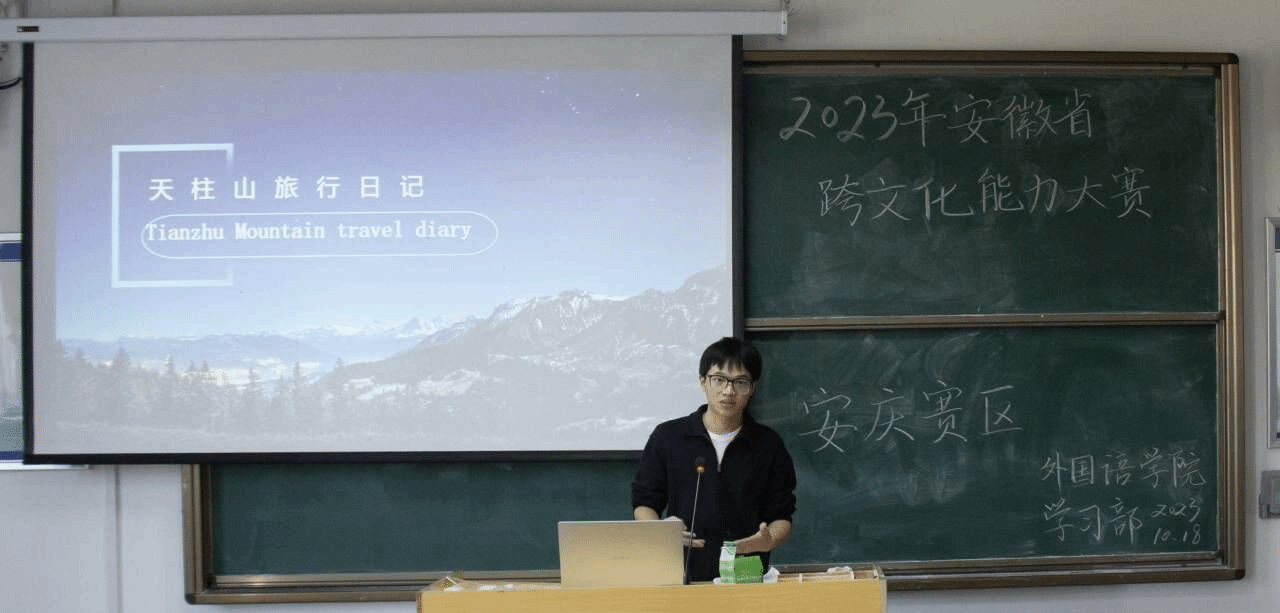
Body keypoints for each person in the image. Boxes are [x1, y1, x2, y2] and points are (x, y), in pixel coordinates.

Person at [631, 336, 797, 582]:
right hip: (681, 569)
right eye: (719, 379)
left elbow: (782, 516)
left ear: (752, 388)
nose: (728, 391)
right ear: (703, 381)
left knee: (744, 601)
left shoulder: (768, 444)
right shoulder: (668, 437)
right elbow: (644, 503)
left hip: (746, 570)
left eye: (740, 382)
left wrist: (768, 539)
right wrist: (661, 532)